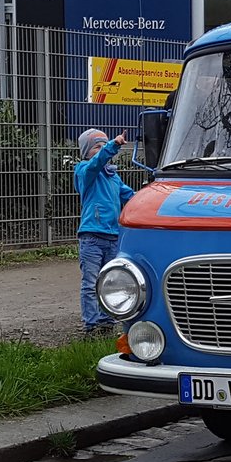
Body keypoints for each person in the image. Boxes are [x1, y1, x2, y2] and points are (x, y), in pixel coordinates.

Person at [73, 129, 136, 333]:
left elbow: (131, 197)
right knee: (90, 283)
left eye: (104, 145)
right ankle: (91, 325)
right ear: (86, 152)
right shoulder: (84, 170)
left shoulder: (113, 177)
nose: (102, 150)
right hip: (91, 237)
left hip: (113, 238)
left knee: (111, 282)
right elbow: (96, 163)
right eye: (97, 147)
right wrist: (112, 146)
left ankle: (106, 322)